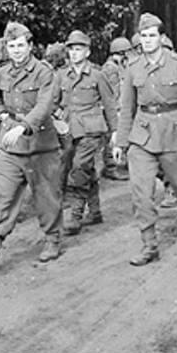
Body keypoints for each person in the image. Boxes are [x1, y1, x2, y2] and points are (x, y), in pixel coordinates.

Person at [0, 22, 62, 274]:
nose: (16, 50)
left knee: (46, 196)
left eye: (21, 45)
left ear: (30, 46)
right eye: (11, 46)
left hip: (40, 145)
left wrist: (24, 125)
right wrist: (3, 117)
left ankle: (52, 240)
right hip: (11, 146)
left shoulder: (44, 72)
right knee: (0, 196)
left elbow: (44, 106)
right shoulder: (3, 72)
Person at [113, 12, 177, 266]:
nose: (147, 40)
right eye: (143, 36)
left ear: (161, 37)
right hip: (142, 136)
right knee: (141, 193)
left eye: (152, 35)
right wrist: (121, 143)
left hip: (174, 134)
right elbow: (127, 108)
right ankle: (149, 245)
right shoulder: (133, 68)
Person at [54, 30, 118, 235]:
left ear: (87, 52)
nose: (74, 53)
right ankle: (96, 211)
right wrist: (58, 115)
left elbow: (109, 105)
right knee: (85, 169)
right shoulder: (61, 75)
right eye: (71, 49)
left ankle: (75, 214)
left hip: (91, 129)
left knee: (79, 168)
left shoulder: (98, 75)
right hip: (68, 129)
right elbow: (52, 101)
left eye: (78, 49)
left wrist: (116, 132)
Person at [100, 36, 132, 181]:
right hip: (112, 108)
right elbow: (113, 92)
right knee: (111, 139)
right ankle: (110, 168)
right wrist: (117, 109)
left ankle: (120, 163)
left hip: (119, 107)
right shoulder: (110, 69)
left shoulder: (119, 67)